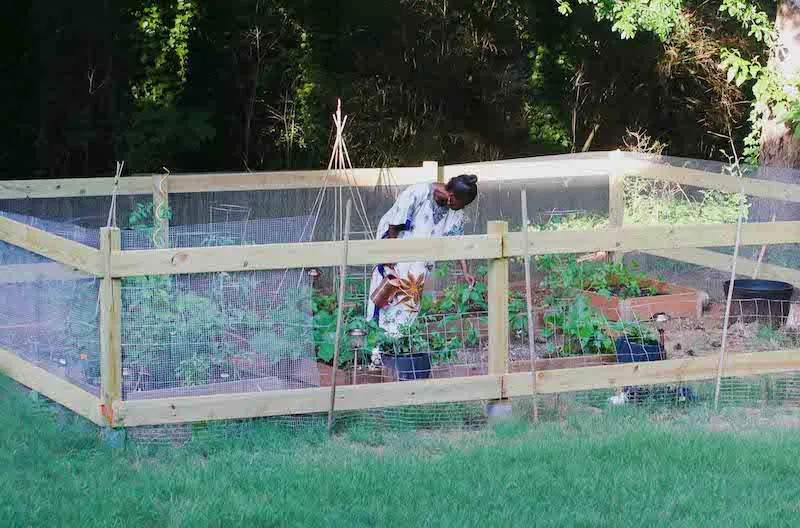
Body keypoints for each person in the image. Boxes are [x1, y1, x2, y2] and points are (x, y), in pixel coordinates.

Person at [366, 174, 479, 366]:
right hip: (394, 254)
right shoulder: (418, 192)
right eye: (463, 203)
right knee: (386, 299)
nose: (463, 208)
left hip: (418, 267)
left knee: (409, 306)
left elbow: (457, 242)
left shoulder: (454, 211)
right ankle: (375, 353)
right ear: (452, 197)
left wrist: (465, 271)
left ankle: (393, 352)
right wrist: (391, 258)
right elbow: (393, 224)